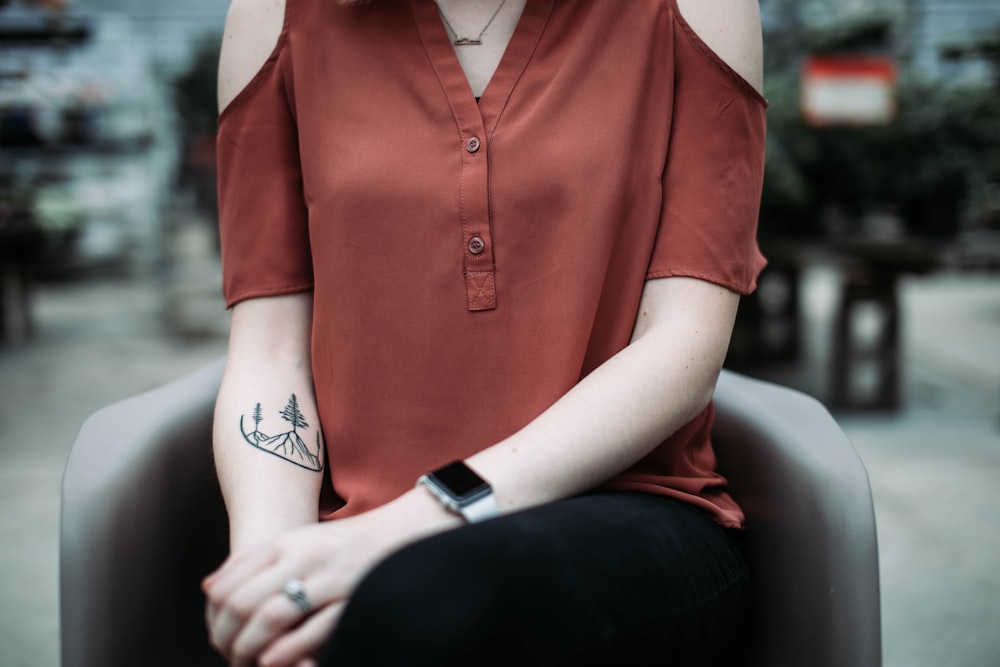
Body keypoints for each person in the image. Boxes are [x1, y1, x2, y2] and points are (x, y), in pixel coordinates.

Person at [202, 0, 768, 665]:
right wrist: (273, 578)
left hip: (633, 510)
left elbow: (684, 346)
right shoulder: (277, 14)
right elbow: (269, 353)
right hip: (356, 538)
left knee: (426, 600)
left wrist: (410, 525)